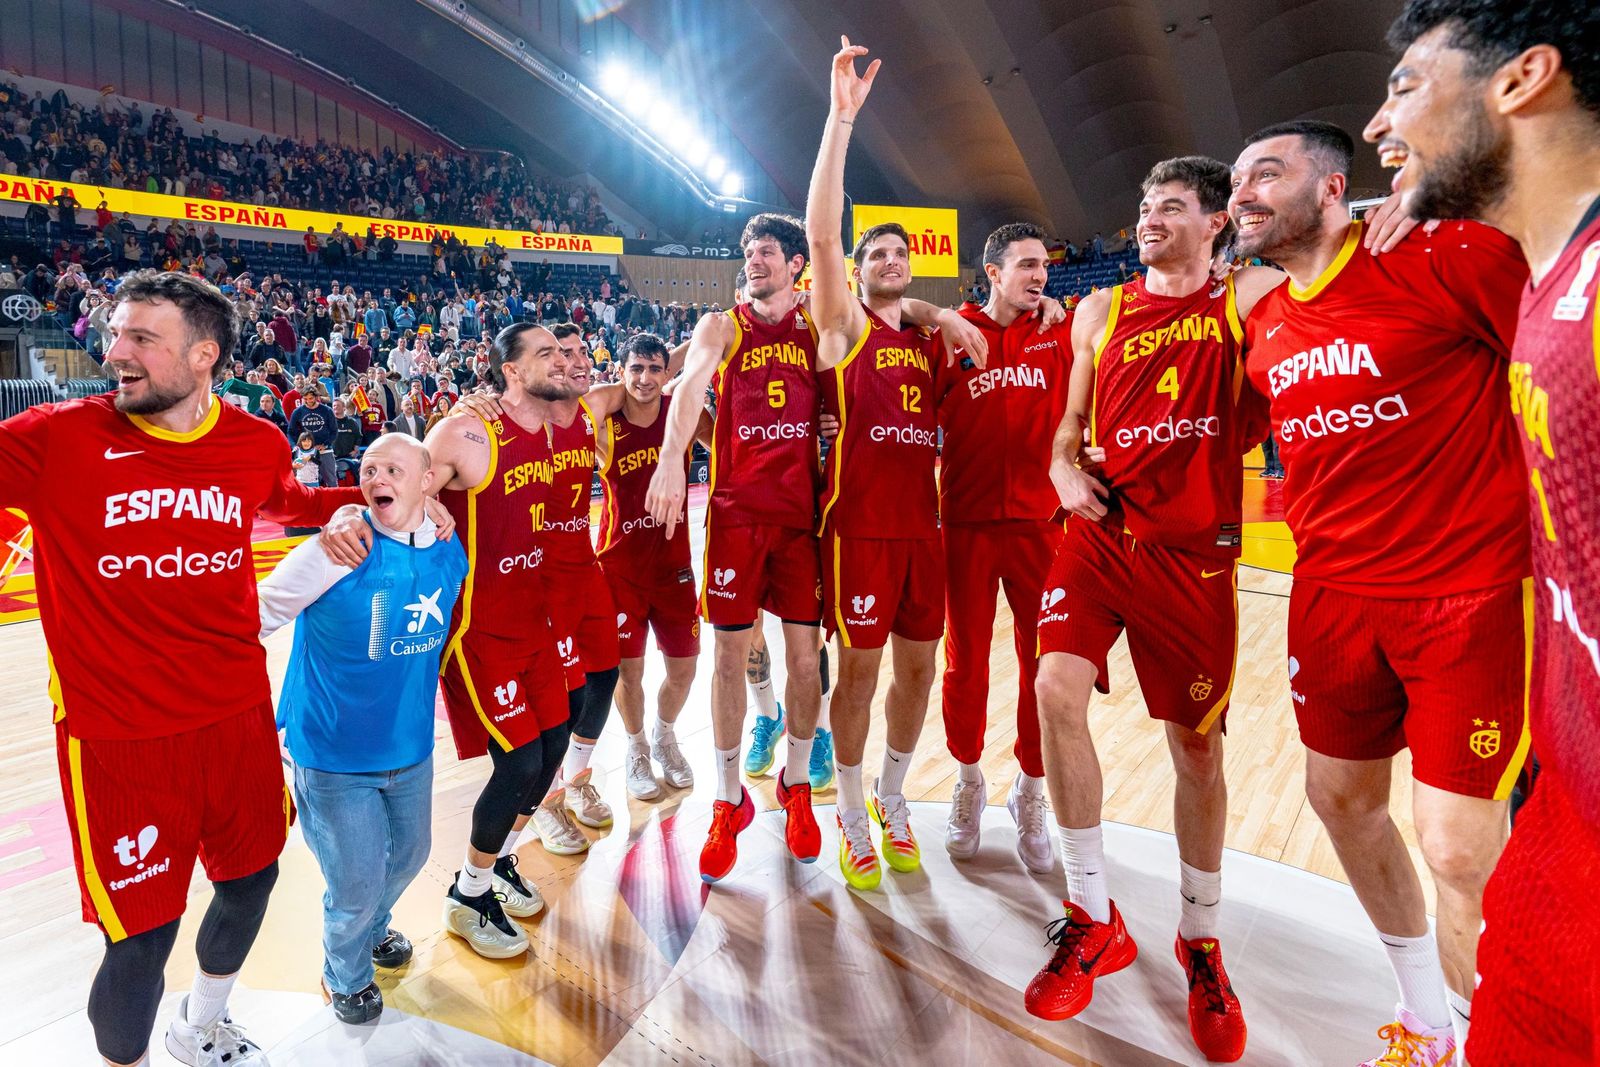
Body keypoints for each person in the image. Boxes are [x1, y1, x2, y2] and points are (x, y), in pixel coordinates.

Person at [0, 270, 366, 1067]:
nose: (114, 352)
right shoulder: (54, 436)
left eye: (140, 339)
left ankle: (200, 1021)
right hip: (120, 739)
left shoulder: (254, 442)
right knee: (141, 941)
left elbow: (283, 502)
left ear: (204, 355)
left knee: (253, 881)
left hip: (236, 718)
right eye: (116, 333)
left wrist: (356, 502)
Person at [1231, 120, 1530, 1065]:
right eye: (1236, 179)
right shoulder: (1265, 323)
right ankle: (1428, 1022)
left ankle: (1499, 1039)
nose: (1242, 192)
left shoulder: (1444, 255)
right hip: (1330, 599)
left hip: (1468, 594)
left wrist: (1461, 190)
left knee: (1455, 846)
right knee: (1340, 801)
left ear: (1331, 188)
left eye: (1265, 174)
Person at [1371, 5, 1600, 1064]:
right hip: (1560, 827)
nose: (1381, 121)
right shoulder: (1538, 289)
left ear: (1520, 82)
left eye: (1407, 85)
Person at [1026, 156, 1280, 1061]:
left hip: (1193, 552)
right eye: (1143, 203)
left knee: (1195, 750)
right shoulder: (1101, 308)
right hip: (1100, 531)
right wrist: (1061, 460)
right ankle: (1092, 915)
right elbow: (1069, 422)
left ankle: (1199, 938)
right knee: (1054, 688)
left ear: (1217, 222)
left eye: (1170, 206)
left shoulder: (1246, 302)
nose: (1148, 217)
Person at [646, 214, 982, 884]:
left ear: (798, 264)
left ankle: (797, 784)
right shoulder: (722, 325)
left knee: (807, 662)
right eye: (749, 252)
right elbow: (686, 390)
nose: (753, 260)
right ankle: (727, 797)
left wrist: (935, 310)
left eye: (766, 251)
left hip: (804, 519)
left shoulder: (821, 330)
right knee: (729, 660)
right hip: (738, 516)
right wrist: (669, 460)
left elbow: (893, 308)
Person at [257, 433, 467, 1024]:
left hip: (409, 746)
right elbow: (256, 617)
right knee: (354, 879)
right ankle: (343, 973)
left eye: (395, 469)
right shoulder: (335, 550)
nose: (377, 477)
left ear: (428, 482)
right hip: (330, 751)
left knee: (411, 854)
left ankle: (372, 928)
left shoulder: (450, 550)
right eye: (369, 468)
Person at [803, 39, 947, 891]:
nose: (890, 260)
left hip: (922, 533)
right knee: (856, 676)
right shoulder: (844, 330)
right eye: (876, 256)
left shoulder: (929, 339)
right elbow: (822, 232)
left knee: (920, 670)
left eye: (900, 254)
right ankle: (850, 814)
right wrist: (840, 121)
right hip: (857, 531)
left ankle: (895, 799)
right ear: (859, 275)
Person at [424, 323, 581, 958]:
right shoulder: (467, 429)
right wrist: (423, 504)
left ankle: (500, 861)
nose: (565, 360)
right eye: (546, 354)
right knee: (516, 763)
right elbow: (395, 493)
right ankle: (468, 893)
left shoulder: (551, 427)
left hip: (536, 621)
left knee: (553, 748)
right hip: (480, 630)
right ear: (511, 372)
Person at [933, 222, 1074, 873]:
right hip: (964, 527)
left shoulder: (1056, 332)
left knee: (1042, 669)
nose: (1039, 275)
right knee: (965, 666)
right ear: (991, 271)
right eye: (1025, 265)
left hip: (1039, 526)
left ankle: (1030, 789)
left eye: (1042, 266)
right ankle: (967, 780)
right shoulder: (949, 335)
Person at [595, 334, 701, 799]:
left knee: (684, 669)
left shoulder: (685, 411)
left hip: (674, 566)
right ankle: (636, 748)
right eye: (635, 368)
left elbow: (736, 446)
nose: (644, 378)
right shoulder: (605, 424)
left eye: (655, 369)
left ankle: (664, 735)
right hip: (620, 569)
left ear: (667, 373)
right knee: (628, 673)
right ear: (622, 372)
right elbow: (561, 410)